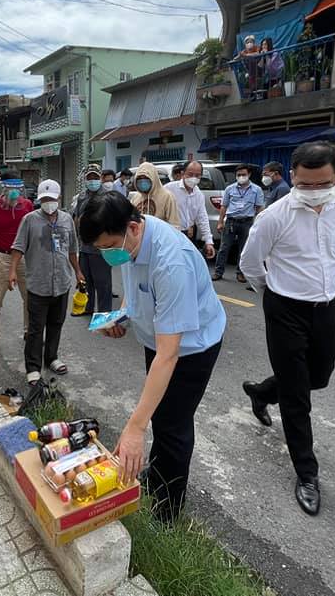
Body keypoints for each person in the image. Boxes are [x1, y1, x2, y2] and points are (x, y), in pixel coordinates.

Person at [79, 191, 226, 523]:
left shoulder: (171, 260)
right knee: (160, 413)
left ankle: (168, 513)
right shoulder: (131, 242)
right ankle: (157, 476)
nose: (106, 256)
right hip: (159, 341)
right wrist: (122, 315)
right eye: (99, 250)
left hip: (191, 349)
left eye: (109, 247)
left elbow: (169, 355)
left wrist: (134, 428)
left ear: (133, 227)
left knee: (172, 426)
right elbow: (137, 287)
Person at [239, 142, 335, 516]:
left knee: (319, 375)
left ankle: (261, 392)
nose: (313, 191)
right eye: (304, 184)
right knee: (297, 396)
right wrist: (273, 295)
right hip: (284, 308)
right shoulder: (276, 216)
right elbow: (249, 262)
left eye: (321, 183)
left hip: (325, 307)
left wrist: (320, 285)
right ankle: (307, 474)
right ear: (293, 176)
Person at [9, 180, 84, 384]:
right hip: (38, 284)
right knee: (35, 328)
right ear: (40, 200)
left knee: (56, 323)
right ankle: (32, 367)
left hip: (62, 282)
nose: (48, 203)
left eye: (52, 199)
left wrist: (78, 271)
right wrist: (13, 271)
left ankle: (51, 357)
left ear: (59, 199)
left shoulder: (67, 219)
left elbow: (72, 250)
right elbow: (18, 247)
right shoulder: (29, 220)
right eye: (45, 200)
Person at [0, 170, 33, 357]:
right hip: (2, 256)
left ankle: (28, 332)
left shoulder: (27, 205)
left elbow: (32, 232)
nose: (15, 193)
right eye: (11, 189)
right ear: (4, 188)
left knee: (29, 298)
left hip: (24, 257)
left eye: (18, 189)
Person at [72, 164, 113, 316]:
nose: (92, 180)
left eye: (95, 177)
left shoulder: (108, 196)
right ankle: (87, 308)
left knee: (103, 283)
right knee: (86, 281)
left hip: (101, 248)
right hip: (84, 247)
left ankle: (104, 313)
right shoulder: (82, 196)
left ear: (101, 178)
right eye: (89, 178)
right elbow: (76, 216)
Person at [213, 165, 264, 282]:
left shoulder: (256, 190)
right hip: (231, 221)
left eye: (243, 174)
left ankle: (240, 273)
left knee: (244, 249)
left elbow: (259, 208)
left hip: (247, 222)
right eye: (238, 175)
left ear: (249, 174)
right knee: (224, 248)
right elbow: (224, 206)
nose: (241, 177)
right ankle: (218, 272)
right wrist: (220, 222)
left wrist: (258, 224)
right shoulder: (229, 189)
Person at [164, 161, 215, 258]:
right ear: (183, 174)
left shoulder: (198, 195)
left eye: (197, 175)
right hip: (170, 235)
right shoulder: (169, 189)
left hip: (188, 235)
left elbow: (202, 218)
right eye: (190, 174)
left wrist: (209, 242)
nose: (194, 178)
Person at [128, 162, 181, 229]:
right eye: (139, 178)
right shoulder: (136, 198)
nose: (142, 181)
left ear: (153, 178)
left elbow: (174, 224)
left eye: (146, 178)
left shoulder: (167, 197)